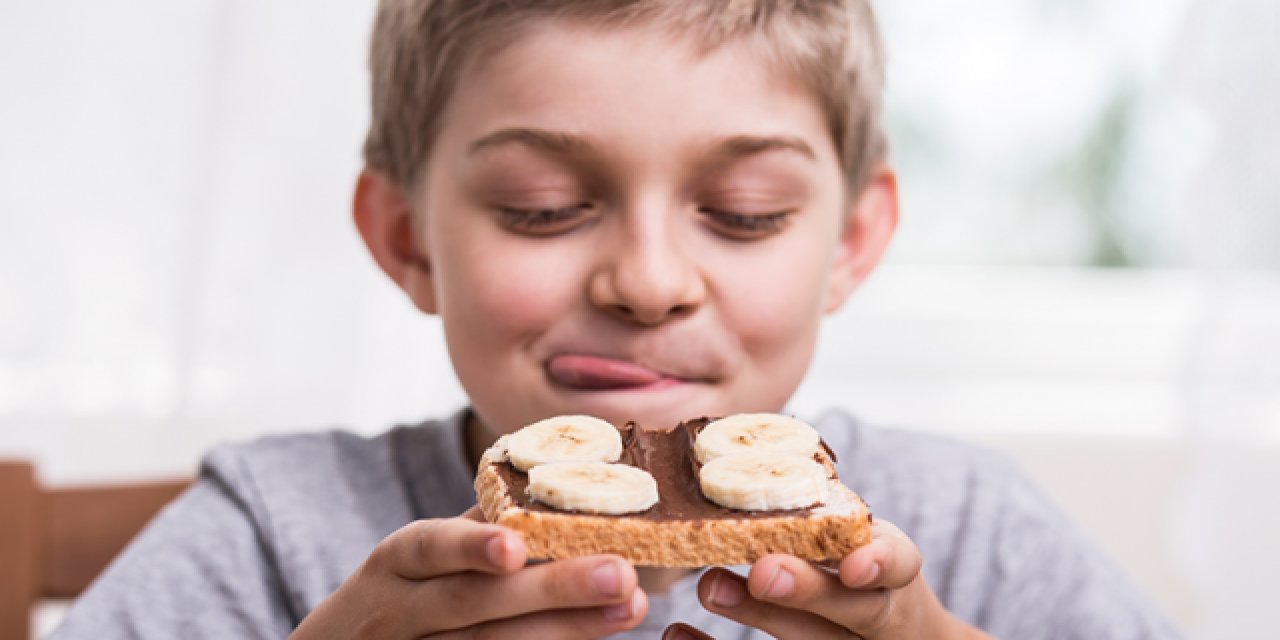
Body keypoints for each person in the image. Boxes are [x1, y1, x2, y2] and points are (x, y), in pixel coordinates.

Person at [52, 1, 1183, 638]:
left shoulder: (970, 532)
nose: (647, 282)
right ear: (406, 238)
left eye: (743, 216)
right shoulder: (271, 532)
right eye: (541, 209)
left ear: (847, 239)